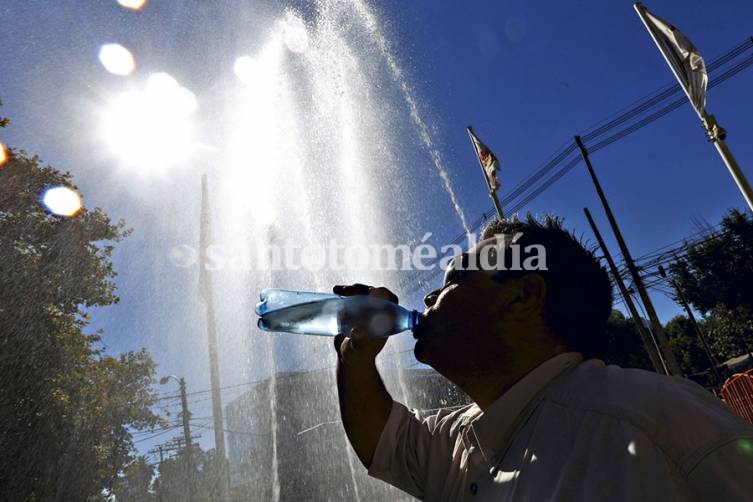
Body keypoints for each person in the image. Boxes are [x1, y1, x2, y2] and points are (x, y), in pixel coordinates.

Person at [333, 215, 753, 501]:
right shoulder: (465, 438)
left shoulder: (653, 416)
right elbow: (384, 442)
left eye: (457, 275)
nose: (429, 296)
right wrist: (355, 357)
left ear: (523, 296)